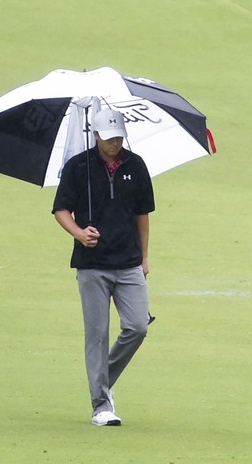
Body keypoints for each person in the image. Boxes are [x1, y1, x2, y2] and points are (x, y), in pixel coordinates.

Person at [52, 108, 155, 426]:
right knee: (96, 334)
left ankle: (101, 381)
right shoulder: (78, 167)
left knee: (137, 326)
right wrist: (79, 233)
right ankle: (101, 406)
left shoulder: (135, 166)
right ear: (96, 135)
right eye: (109, 138)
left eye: (118, 138)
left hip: (128, 263)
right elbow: (61, 209)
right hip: (92, 264)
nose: (114, 144)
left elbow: (142, 214)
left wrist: (144, 256)